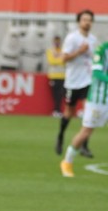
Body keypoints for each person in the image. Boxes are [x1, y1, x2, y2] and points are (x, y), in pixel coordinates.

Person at [60, 41, 108, 177]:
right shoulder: (102, 50)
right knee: (86, 132)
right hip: (98, 100)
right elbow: (97, 72)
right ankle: (67, 162)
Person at [56, 10, 98, 157]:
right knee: (69, 113)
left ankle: (84, 146)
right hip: (73, 82)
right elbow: (64, 58)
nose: (87, 22)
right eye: (84, 19)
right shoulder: (72, 38)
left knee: (89, 113)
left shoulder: (93, 39)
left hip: (88, 80)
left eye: (89, 20)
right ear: (79, 22)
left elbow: (94, 58)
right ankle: (60, 136)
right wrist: (80, 51)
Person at [46, 35, 65, 117]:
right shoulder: (50, 51)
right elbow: (51, 61)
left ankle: (58, 110)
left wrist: (57, 59)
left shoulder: (63, 50)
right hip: (53, 76)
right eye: (56, 41)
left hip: (63, 76)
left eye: (58, 41)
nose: (57, 42)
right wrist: (59, 60)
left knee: (61, 95)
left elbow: (64, 61)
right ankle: (56, 110)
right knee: (55, 95)